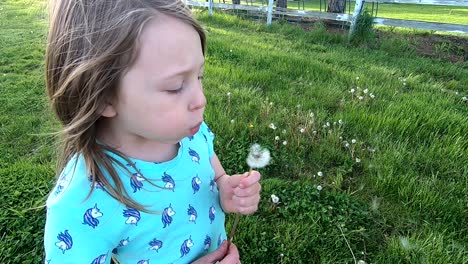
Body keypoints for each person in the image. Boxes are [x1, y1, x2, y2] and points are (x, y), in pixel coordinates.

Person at [43, 1, 262, 263]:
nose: (200, 99)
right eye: (175, 86)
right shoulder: (82, 201)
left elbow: (214, 174)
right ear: (102, 97)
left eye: (199, 76)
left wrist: (225, 188)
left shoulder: (191, 134)